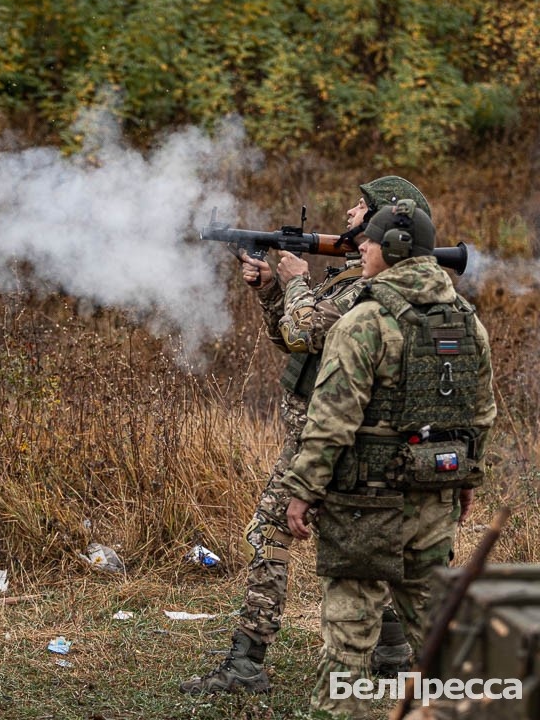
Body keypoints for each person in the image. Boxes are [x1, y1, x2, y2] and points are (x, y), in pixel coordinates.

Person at [179, 176, 430, 696]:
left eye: (361, 207)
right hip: (335, 435)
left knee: (270, 532)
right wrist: (272, 287)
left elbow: (303, 329)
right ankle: (392, 649)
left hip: (326, 437)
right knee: (360, 540)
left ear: (386, 220)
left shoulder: (371, 288)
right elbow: (295, 340)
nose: (348, 212)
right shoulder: (356, 277)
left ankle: (246, 661)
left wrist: (293, 279)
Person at [282, 200, 496, 719]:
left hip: (364, 508)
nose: (362, 249)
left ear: (394, 250)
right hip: (433, 500)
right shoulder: (466, 322)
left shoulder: (365, 323)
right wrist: (468, 479)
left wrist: (303, 489)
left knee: (348, 651)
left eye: (369, 243)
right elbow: (480, 414)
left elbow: (330, 422)